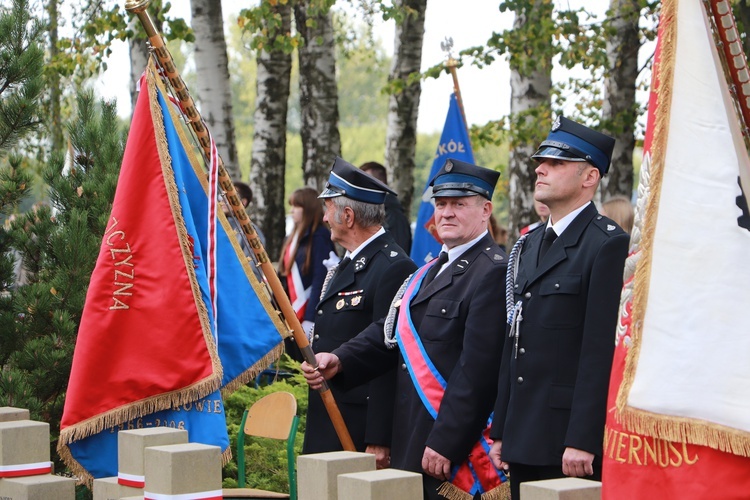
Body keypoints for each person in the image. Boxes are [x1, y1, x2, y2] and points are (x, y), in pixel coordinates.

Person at [304, 158, 509, 500]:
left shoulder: (491, 270)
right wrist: (341, 359)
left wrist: (446, 441)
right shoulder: (428, 271)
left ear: (486, 210)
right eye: (441, 203)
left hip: (449, 447)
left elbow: (478, 372)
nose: (446, 213)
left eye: (459, 204)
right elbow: (390, 334)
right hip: (411, 435)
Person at [490, 116, 630, 499]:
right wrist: (501, 428)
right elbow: (514, 340)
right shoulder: (530, 244)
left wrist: (583, 437)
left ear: (589, 177)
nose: (540, 168)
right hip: (524, 432)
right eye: (541, 161)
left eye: (556, 163)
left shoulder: (607, 245)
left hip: (566, 441)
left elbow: (600, 352)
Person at [302, 157, 416, 465]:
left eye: (328, 208)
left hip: (358, 423)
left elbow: (390, 352)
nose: (325, 218)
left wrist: (379, 438)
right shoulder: (350, 262)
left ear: (348, 216)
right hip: (330, 412)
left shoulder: (394, 266)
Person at [277, 187, 335, 334]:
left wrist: (310, 317)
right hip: (290, 310)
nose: (292, 210)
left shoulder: (319, 236)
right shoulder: (291, 237)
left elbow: (320, 278)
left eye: (296, 206)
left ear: (308, 208)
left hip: (310, 312)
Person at [360, 161, 412, 254]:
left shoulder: (392, 214)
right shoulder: (373, 214)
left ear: (379, 183)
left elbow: (397, 256)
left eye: (364, 183)